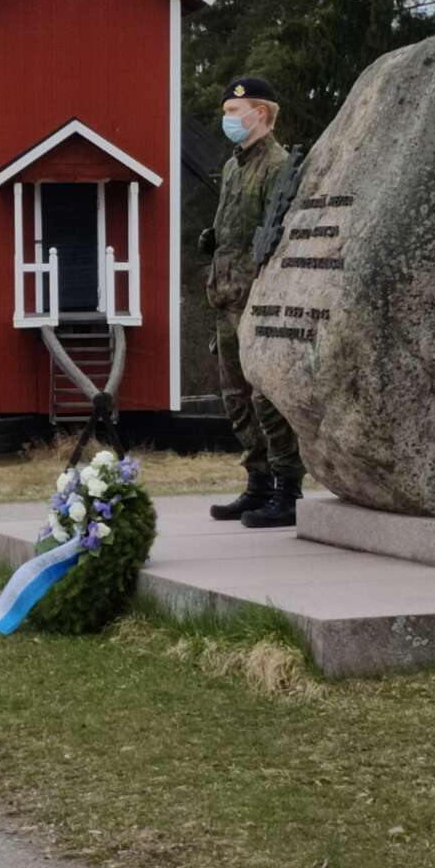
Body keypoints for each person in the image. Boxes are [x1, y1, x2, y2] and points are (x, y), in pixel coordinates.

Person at [199, 75, 306, 529]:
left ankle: (287, 489)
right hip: (225, 295)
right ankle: (257, 482)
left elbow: (278, 234)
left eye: (233, 112)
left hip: (257, 299)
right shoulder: (233, 167)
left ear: (259, 114)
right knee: (236, 397)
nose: (228, 121)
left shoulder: (278, 166)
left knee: (266, 397)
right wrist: (215, 240)